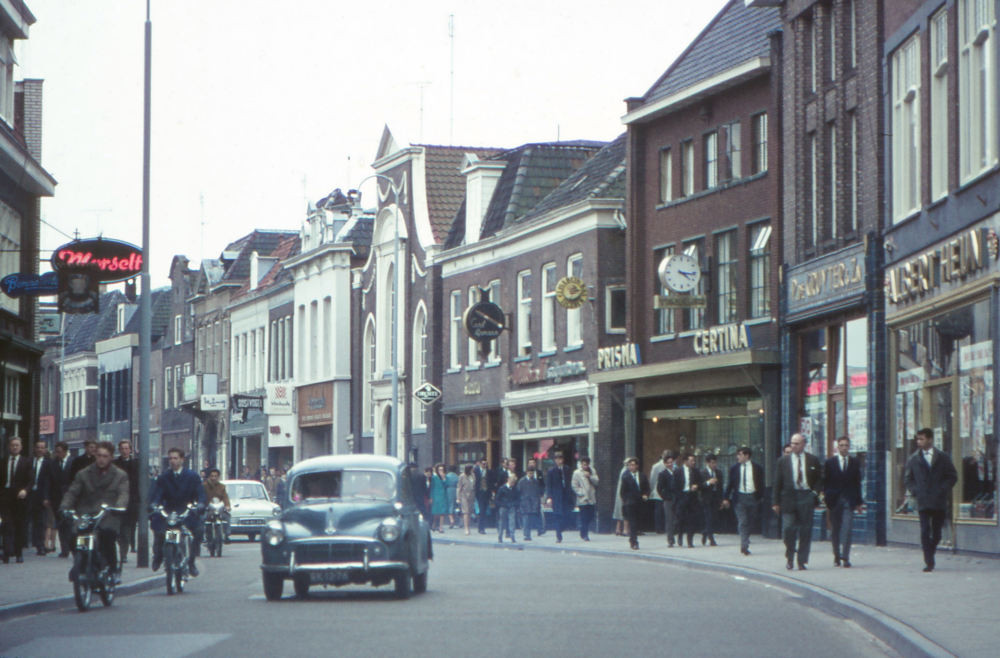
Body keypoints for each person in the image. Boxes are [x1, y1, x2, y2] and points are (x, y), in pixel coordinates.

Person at [59, 441, 129, 582]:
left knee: (108, 537)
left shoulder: (120, 475)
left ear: (111, 457)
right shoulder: (83, 474)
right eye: (99, 456)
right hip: (86, 513)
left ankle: (113, 569)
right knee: (73, 536)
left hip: (108, 514)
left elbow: (123, 494)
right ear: (94, 455)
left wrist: (119, 507)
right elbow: (72, 493)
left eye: (105, 456)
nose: (101, 459)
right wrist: (64, 507)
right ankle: (79, 563)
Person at [905, 428, 958, 573]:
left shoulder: (942, 457)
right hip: (922, 500)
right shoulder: (914, 459)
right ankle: (929, 560)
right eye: (918, 439)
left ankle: (931, 551)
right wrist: (916, 491)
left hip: (938, 500)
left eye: (922, 439)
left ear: (930, 440)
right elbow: (908, 479)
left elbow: (953, 476)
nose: (919, 442)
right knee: (924, 531)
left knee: (937, 533)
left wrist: (943, 489)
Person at [151, 448, 207, 577]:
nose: (173, 461)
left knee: (197, 531)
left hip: (187, 510)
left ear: (182, 459)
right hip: (169, 510)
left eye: (175, 458)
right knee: (159, 530)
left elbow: (200, 493)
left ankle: (191, 561)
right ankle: (158, 555)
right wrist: (154, 504)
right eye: (170, 458)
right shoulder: (164, 477)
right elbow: (158, 494)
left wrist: (200, 504)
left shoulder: (192, 476)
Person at [773, 433, 823, 570]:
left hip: (806, 496)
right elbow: (777, 482)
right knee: (788, 528)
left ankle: (802, 560)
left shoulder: (812, 460)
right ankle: (790, 556)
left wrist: (814, 493)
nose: (793, 446)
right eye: (792, 443)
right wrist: (775, 502)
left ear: (803, 444)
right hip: (789, 498)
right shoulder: (783, 461)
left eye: (796, 443)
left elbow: (820, 479)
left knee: (805, 530)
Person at [824, 436, 864, 568]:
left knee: (847, 528)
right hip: (835, 500)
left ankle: (845, 557)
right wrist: (827, 498)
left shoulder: (855, 463)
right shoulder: (830, 463)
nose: (844, 448)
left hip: (849, 500)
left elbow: (857, 483)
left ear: (849, 447)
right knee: (835, 529)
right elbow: (826, 482)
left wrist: (859, 502)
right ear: (837, 447)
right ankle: (836, 555)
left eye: (846, 445)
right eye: (841, 445)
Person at [723, 447, 764, 555]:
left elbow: (761, 484)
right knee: (742, 521)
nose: (738, 457)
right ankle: (744, 544)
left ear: (747, 456)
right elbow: (730, 483)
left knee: (750, 521)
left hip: (752, 497)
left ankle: (746, 537)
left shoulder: (757, 468)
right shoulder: (735, 468)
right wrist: (726, 497)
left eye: (740, 454)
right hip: (740, 498)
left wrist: (759, 497)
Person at [1, 437, 33, 563]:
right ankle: (7, 552)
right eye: (12, 445)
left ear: (21, 447)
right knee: (6, 524)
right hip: (6, 496)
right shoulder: (3, 462)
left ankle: (19, 553)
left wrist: (25, 490)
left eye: (17, 445)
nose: (14, 447)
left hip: (19, 497)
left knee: (19, 525)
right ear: (8, 446)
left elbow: (31, 481)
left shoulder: (26, 462)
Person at [45, 442, 75, 557]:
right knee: (61, 523)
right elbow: (48, 481)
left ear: (65, 451)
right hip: (56, 498)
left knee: (70, 523)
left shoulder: (73, 462)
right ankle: (65, 549)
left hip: (70, 497)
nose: (57, 454)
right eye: (56, 452)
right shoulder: (52, 464)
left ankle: (72, 547)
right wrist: (47, 497)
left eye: (59, 451)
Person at [114, 440, 141, 561]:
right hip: (118, 499)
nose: (125, 451)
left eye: (127, 448)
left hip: (132, 500)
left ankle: (124, 552)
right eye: (122, 449)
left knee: (128, 527)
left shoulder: (136, 464)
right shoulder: (115, 464)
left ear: (130, 450)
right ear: (119, 450)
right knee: (119, 528)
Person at [545, 452, 576, 543]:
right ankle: (558, 535)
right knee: (557, 515)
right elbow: (549, 485)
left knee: (566, 514)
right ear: (555, 460)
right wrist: (549, 497)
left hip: (566, 496)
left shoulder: (567, 469)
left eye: (561, 459)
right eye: (557, 459)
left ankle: (562, 527)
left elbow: (570, 482)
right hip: (556, 496)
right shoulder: (551, 471)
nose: (559, 461)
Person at [673, 453, 703, 548]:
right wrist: (679, 497)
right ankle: (680, 536)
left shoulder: (696, 471)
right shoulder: (678, 471)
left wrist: (697, 486)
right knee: (681, 519)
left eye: (694, 461)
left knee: (692, 519)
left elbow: (700, 483)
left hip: (692, 497)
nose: (693, 463)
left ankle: (690, 540)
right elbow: (674, 486)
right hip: (682, 496)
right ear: (685, 461)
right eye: (691, 461)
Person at [619, 458, 649, 550]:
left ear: (637, 466)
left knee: (638, 522)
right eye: (630, 465)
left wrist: (645, 494)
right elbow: (622, 492)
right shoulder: (626, 477)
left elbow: (647, 488)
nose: (631, 467)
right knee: (632, 522)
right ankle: (633, 541)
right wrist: (626, 500)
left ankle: (633, 538)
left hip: (640, 502)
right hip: (631, 502)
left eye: (633, 465)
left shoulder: (642, 476)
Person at [29, 440, 52, 556]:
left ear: (45, 449)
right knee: (24, 520)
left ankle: (40, 546)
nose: (39, 449)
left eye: (42, 447)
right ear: (34, 448)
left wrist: (47, 497)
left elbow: (49, 482)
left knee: (41, 522)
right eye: (38, 447)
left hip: (41, 496)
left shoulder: (48, 464)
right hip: (28, 495)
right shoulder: (28, 462)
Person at [571, 457, 599, 541]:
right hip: (583, 499)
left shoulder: (592, 471)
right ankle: (585, 534)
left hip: (591, 498)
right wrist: (581, 492)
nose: (585, 466)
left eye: (587, 464)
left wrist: (590, 476)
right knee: (584, 517)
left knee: (591, 515)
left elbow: (597, 481)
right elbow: (574, 485)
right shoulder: (577, 473)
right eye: (584, 464)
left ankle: (582, 529)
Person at [700, 454, 724, 547]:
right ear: (707, 463)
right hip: (706, 498)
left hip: (715, 498)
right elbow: (700, 485)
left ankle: (706, 531)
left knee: (714, 518)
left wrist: (721, 500)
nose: (714, 465)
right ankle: (711, 539)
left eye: (715, 462)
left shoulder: (719, 473)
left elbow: (720, 487)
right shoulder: (702, 473)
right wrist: (708, 483)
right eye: (712, 463)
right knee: (708, 518)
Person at [203, 468, 232, 542]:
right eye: (212, 476)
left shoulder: (222, 486)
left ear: (218, 477)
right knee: (202, 518)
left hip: (218, 507)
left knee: (227, 516)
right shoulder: (204, 485)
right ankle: (203, 535)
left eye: (215, 476)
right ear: (209, 476)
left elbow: (225, 497)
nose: (213, 478)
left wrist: (227, 505)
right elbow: (201, 496)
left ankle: (226, 535)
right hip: (208, 507)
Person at [656, 454, 678, 547]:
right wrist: (665, 497)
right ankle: (670, 540)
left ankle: (677, 534)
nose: (670, 464)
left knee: (677, 518)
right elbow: (659, 488)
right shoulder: (662, 474)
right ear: (665, 464)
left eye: (671, 462)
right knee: (669, 519)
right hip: (668, 499)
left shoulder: (677, 472)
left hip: (677, 499)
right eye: (668, 462)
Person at [517, 466, 543, 540]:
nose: (531, 475)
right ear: (527, 473)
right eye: (529, 473)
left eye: (532, 473)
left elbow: (537, 493)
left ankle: (530, 533)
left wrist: (538, 503)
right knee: (525, 518)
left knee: (531, 519)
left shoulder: (536, 482)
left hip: (533, 503)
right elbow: (518, 492)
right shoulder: (521, 481)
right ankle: (526, 535)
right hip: (524, 502)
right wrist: (520, 502)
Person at [649, 451, 671, 534]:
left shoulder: (673, 466)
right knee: (659, 510)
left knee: (666, 510)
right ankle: (658, 527)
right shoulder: (656, 466)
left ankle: (664, 527)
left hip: (667, 491)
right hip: (659, 490)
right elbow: (653, 479)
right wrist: (653, 489)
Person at [495, 474, 518, 544]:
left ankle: (512, 536)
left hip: (511, 506)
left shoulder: (515, 489)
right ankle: (500, 536)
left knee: (512, 522)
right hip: (503, 507)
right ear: (508, 480)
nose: (512, 484)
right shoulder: (502, 488)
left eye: (513, 482)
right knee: (502, 522)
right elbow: (497, 499)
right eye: (511, 482)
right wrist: (501, 505)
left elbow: (517, 498)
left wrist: (514, 504)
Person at [474, 459, 493, 534]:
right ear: (480, 464)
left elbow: (491, 482)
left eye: (486, 464)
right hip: (479, 492)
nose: (485, 465)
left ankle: (482, 527)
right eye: (483, 464)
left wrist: (491, 493)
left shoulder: (489, 472)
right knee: (481, 509)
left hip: (487, 492)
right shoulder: (476, 471)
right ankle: (481, 528)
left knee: (484, 510)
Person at [612, 458, 631, 537]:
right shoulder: (626, 471)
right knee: (625, 511)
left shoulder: (622, 470)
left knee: (619, 511)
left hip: (620, 493)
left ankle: (618, 529)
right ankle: (626, 529)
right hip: (624, 494)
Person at [457, 465, 476, 535]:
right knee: (466, 511)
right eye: (471, 469)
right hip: (464, 495)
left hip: (471, 495)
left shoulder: (473, 475)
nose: (473, 470)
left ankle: (468, 525)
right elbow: (459, 487)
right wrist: (458, 498)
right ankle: (466, 528)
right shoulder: (462, 476)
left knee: (470, 512)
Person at [430, 464, 449, 533]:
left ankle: (441, 527)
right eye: (440, 469)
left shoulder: (446, 477)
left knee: (442, 512)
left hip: (443, 496)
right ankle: (434, 524)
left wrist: (444, 479)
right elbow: (431, 487)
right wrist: (431, 497)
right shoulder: (434, 478)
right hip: (436, 496)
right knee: (436, 513)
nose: (441, 471)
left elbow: (447, 485)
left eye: (442, 469)